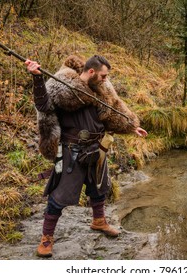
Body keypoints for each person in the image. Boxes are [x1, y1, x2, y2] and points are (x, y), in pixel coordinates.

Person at [25, 55, 148, 258]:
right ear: (91, 72)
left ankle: (99, 221)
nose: (105, 80)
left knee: (99, 188)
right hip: (71, 151)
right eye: (102, 75)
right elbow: (43, 105)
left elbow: (114, 110)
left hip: (97, 148)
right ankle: (46, 237)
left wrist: (132, 127)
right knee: (59, 196)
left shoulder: (100, 89)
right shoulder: (61, 87)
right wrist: (37, 78)